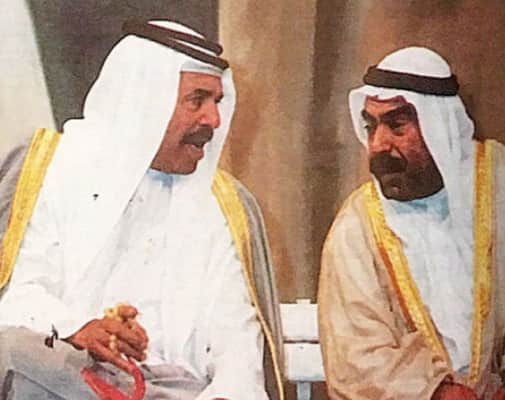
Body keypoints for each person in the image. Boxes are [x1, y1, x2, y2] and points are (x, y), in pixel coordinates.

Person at [0, 19, 279, 400]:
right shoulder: (52, 170)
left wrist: (228, 392)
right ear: (145, 100)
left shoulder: (222, 203)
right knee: (13, 352)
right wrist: (78, 328)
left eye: (217, 102)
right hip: (67, 377)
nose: (213, 121)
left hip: (174, 390)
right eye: (197, 100)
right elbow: (17, 294)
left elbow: (235, 334)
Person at [318, 47, 505, 400]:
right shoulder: (356, 227)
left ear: (439, 127)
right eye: (371, 127)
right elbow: (355, 358)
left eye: (396, 125)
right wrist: (437, 393)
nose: (378, 145)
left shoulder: (497, 187)